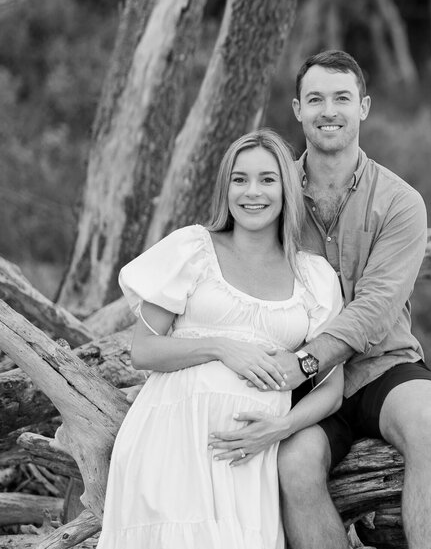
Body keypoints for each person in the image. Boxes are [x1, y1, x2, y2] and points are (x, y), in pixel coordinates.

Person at [96, 129, 344, 549]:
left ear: (287, 189)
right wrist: (222, 347)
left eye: (267, 179)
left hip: (250, 455)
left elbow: (332, 389)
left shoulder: (314, 276)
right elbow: (144, 350)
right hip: (173, 441)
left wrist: (280, 429)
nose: (252, 192)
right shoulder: (192, 249)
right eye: (239, 179)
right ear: (225, 187)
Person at [253, 49, 431, 549]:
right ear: (297, 109)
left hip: (381, 366)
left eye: (341, 98)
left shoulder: (400, 201)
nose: (329, 110)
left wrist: (304, 361)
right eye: (316, 99)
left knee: (427, 419)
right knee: (294, 464)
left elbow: (377, 308)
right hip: (306, 386)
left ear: (362, 107)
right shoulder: (271, 197)